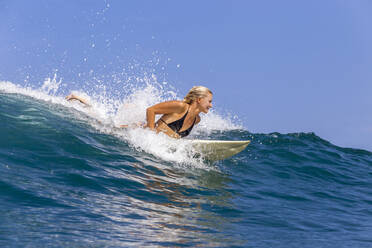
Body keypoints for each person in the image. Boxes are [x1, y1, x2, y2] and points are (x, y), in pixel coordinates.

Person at [66, 86, 213, 139]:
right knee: (101, 124)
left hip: (153, 139)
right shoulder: (181, 107)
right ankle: (80, 101)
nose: (211, 105)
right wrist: (149, 133)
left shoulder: (196, 120)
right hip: (137, 132)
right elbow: (151, 110)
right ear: (199, 100)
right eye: (209, 101)